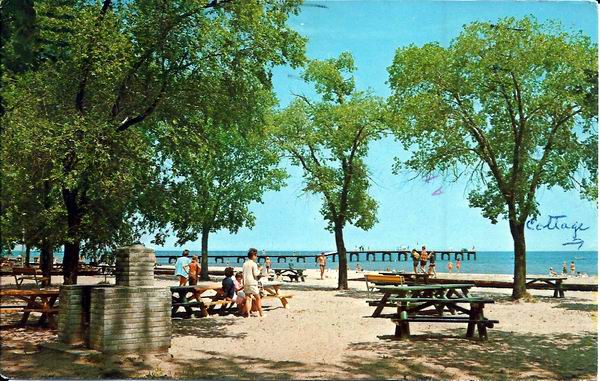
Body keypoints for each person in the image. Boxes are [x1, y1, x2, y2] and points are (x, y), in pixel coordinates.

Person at [243, 248, 264, 317]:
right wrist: (260, 269)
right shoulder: (253, 264)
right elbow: (256, 274)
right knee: (258, 298)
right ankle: (261, 313)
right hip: (252, 283)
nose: (257, 257)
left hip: (246, 282)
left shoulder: (244, 264)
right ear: (253, 255)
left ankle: (248, 314)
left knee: (248, 299)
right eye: (256, 255)